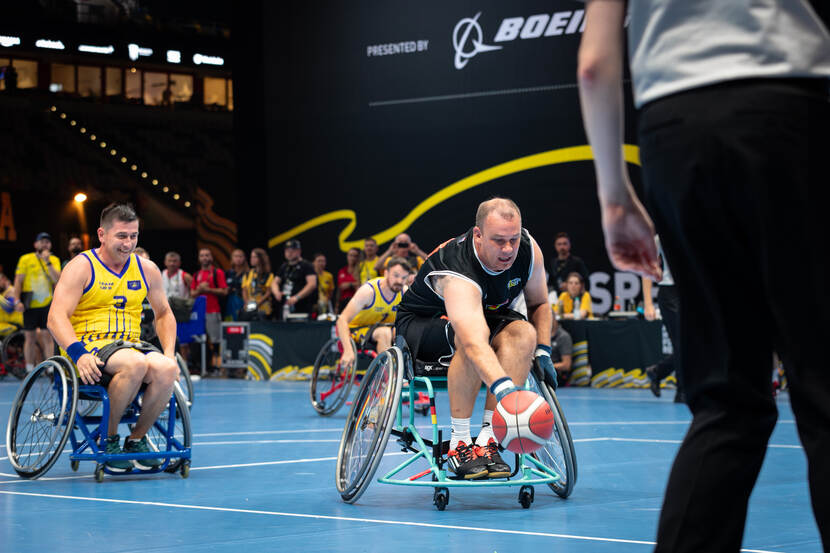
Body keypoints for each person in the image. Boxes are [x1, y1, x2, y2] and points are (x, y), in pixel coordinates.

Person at [577, 2, 830, 550]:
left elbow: (593, 64)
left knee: (725, 402)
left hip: (677, 131)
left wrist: (615, 198)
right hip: (791, 107)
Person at [396, 197, 555, 479]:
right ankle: (459, 442)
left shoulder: (529, 250)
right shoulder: (458, 269)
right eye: (499, 241)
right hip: (424, 323)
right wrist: (508, 393)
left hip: (484, 315)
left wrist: (542, 350)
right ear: (478, 235)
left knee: (524, 334)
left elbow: (540, 304)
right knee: (468, 339)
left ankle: (486, 441)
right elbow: (473, 341)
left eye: (513, 240)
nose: (508, 250)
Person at [47, 202, 179, 472]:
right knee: (135, 363)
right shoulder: (81, 266)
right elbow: (55, 317)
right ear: (102, 234)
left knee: (167, 369)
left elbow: (164, 313)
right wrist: (78, 353)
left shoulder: (147, 269)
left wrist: (168, 351)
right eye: (121, 236)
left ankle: (136, 439)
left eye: (133, 236)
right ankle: (108, 439)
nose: (128, 243)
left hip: (129, 345)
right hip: (88, 347)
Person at [336, 257, 412, 371]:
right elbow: (341, 320)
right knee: (384, 333)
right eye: (396, 275)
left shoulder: (404, 292)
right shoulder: (368, 292)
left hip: (384, 328)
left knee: (406, 331)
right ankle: (389, 378)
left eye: (404, 277)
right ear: (386, 273)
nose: (400, 281)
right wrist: (347, 350)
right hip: (357, 330)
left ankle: (407, 374)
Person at [642, 235, 683, 403]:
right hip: (669, 293)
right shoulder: (659, 238)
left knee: (691, 344)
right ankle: (683, 391)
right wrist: (648, 303)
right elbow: (646, 270)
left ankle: (658, 372)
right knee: (682, 343)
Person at [13, 232, 60, 372]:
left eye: (47, 241)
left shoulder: (54, 259)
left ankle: (50, 369)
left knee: (47, 336)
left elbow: (58, 279)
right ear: (35, 244)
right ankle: (29, 369)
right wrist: (16, 301)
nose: (45, 244)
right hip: (29, 304)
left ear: (50, 245)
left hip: (47, 304)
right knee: (30, 337)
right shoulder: (25, 259)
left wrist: (48, 262)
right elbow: (18, 281)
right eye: (42, 241)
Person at [190, 248, 227, 370]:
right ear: (199, 259)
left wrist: (208, 290)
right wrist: (200, 290)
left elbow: (224, 291)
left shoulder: (218, 273)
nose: (205, 258)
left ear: (211, 258)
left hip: (213, 311)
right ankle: (203, 366)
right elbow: (192, 293)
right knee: (199, 340)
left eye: (207, 255)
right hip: (199, 313)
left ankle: (217, 365)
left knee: (216, 339)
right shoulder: (196, 275)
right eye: (202, 255)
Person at [271, 239, 317, 319]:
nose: (289, 253)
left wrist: (297, 297)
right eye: (287, 250)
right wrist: (276, 292)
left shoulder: (306, 265)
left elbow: (312, 284)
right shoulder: (284, 266)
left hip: (301, 305)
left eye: (292, 250)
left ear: (299, 251)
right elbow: (274, 282)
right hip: (285, 305)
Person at [240, 248, 274, 320]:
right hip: (249, 309)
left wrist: (257, 304)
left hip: (264, 310)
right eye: (251, 257)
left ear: (261, 258)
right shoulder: (247, 274)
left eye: (255, 257)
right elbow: (244, 290)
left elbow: (268, 292)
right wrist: (247, 303)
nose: (252, 259)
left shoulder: (269, 275)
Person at [224, 248, 248, 320]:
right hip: (229, 304)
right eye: (236, 256)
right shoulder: (227, 273)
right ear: (232, 258)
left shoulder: (248, 273)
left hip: (242, 302)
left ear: (244, 258)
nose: (238, 259)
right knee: (229, 326)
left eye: (240, 256)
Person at [335, 247, 361, 313]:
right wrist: (337, 305)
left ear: (358, 258)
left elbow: (360, 285)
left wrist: (348, 284)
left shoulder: (360, 271)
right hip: (343, 303)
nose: (352, 258)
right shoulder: (342, 270)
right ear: (347, 256)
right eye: (350, 255)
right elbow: (340, 287)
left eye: (355, 256)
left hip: (356, 303)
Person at [550, 317, 573, 383]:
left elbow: (566, 365)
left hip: (556, 376)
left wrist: (547, 366)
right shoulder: (538, 334)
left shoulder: (564, 337)